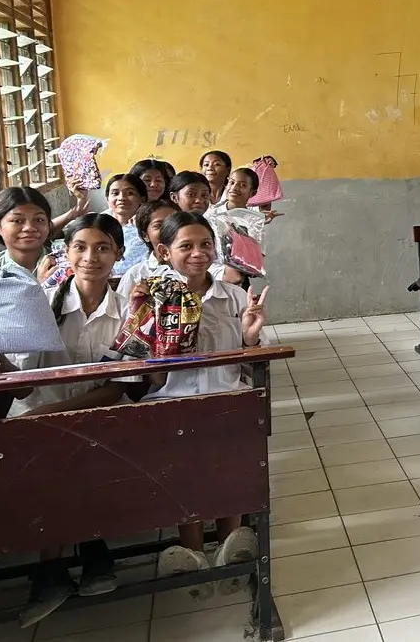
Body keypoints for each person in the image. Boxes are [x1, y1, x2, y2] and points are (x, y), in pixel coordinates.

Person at [9, 213, 136, 627]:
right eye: (80, 247)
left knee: (78, 455)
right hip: (36, 417)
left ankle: (58, 566)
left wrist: (52, 414)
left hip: (90, 417)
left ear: (118, 253)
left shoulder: (132, 313)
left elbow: (117, 387)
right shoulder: (41, 303)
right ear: (66, 252)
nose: (90, 257)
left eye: (102, 248)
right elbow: (20, 385)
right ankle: (85, 553)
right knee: (52, 461)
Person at [151, 213, 268, 593]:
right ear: (164, 251)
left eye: (205, 245)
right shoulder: (151, 299)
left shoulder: (233, 297)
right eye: (186, 246)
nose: (198, 253)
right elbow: (143, 372)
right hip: (174, 406)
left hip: (226, 403)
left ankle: (231, 546)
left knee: (228, 476)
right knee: (187, 480)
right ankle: (192, 550)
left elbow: (249, 359)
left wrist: (250, 338)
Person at [118, 199, 180, 301]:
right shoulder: (136, 274)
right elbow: (120, 313)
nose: (169, 230)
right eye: (159, 225)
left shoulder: (197, 266)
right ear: (145, 235)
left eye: (174, 223)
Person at [105, 173, 149, 274]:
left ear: (142, 199)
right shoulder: (98, 225)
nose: (122, 198)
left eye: (130, 193)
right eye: (115, 193)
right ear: (107, 199)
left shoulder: (147, 228)